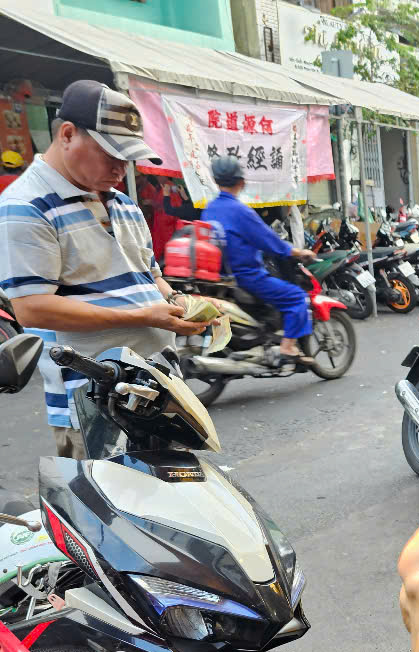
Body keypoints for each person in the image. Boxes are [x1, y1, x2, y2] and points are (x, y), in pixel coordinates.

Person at [0, 80, 207, 457]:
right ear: (67, 135)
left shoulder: (124, 203)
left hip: (160, 388)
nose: (120, 167)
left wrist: (179, 302)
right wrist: (145, 315)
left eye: (127, 156)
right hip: (95, 400)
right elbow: (33, 308)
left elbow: (151, 275)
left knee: (175, 505)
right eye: (110, 153)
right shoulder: (26, 206)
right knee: (111, 511)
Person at [201, 156, 317, 367]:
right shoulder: (241, 211)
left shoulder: (210, 209)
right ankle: (288, 347)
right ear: (241, 182)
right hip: (247, 276)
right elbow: (268, 240)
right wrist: (298, 252)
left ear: (216, 181)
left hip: (221, 277)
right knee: (296, 297)